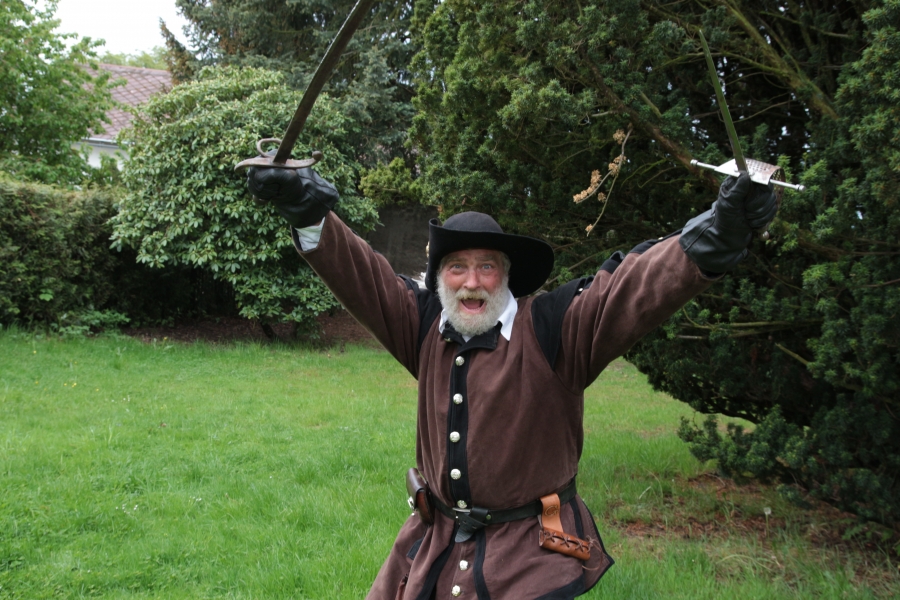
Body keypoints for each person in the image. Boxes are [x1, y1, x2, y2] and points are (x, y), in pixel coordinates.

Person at [246, 166, 777, 599]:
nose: (471, 282)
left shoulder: (554, 327)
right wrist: (309, 214)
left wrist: (715, 236)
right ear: (439, 277)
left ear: (506, 275)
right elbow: (360, 275)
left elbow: (631, 289)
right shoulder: (422, 324)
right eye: (456, 267)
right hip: (436, 538)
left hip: (531, 552)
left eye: (486, 267)